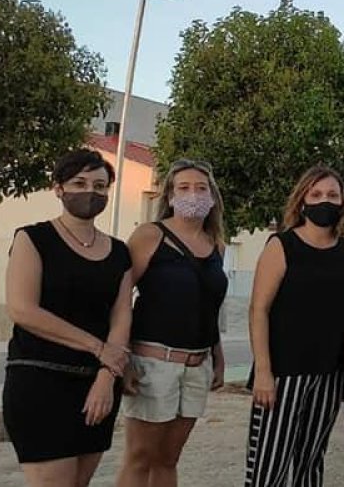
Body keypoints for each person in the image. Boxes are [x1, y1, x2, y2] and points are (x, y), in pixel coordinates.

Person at [3, 149, 133, 487]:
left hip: (98, 387)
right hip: (40, 384)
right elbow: (23, 309)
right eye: (79, 182)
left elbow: (121, 317)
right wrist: (97, 347)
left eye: (100, 186)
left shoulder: (119, 252)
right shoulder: (32, 239)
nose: (90, 192)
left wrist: (107, 375)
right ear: (59, 188)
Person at [246, 166, 344, 487]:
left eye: (332, 195)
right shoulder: (281, 246)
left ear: (342, 203)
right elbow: (258, 310)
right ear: (302, 200)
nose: (325, 200)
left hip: (329, 374)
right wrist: (264, 372)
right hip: (283, 374)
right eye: (317, 194)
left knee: (311, 461)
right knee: (270, 466)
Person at [117, 159, 228, 487]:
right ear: (169, 195)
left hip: (196, 366)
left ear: (212, 196)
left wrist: (217, 357)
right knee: (140, 458)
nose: (193, 194)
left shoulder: (216, 245)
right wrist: (121, 358)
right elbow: (121, 299)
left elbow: (209, 307)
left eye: (200, 187)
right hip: (153, 363)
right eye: (183, 187)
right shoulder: (150, 236)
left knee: (168, 459)